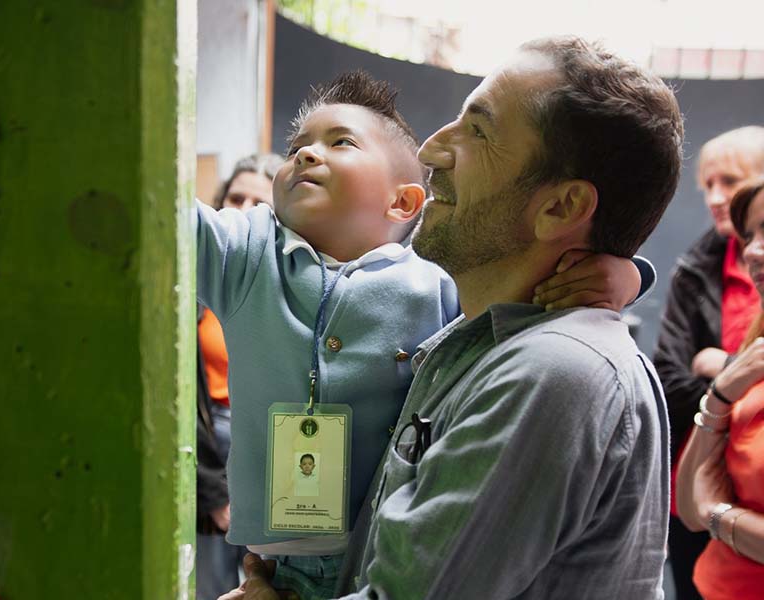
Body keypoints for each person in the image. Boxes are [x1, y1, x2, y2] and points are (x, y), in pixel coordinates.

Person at [221, 35, 683, 600]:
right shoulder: (482, 341)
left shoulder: (552, 372)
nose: (434, 149)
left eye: (479, 131)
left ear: (560, 207)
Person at [653, 125, 764, 599]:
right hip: (696, 490)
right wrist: (729, 387)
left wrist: (725, 365)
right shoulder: (697, 267)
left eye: (731, 183)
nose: (717, 198)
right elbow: (670, 376)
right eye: (709, 185)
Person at [196, 153, 284, 600]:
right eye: (235, 196)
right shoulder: (199, 285)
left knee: (265, 578)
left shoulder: (282, 289)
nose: (242, 207)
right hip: (210, 447)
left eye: (259, 202)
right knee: (209, 578)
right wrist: (212, 492)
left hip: (270, 442)